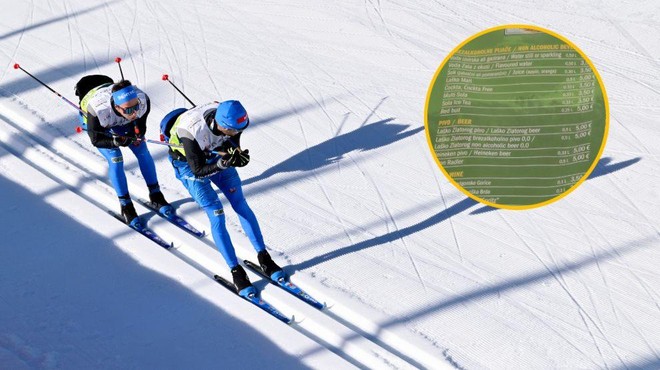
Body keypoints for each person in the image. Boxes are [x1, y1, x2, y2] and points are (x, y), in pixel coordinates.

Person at [160, 100, 283, 296]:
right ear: (223, 125)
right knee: (217, 214)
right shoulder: (191, 131)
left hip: (215, 157)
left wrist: (236, 153)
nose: (238, 132)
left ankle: (264, 257)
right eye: (233, 130)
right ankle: (236, 271)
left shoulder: (234, 121)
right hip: (190, 166)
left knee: (240, 204)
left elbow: (233, 140)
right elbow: (198, 170)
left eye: (240, 129)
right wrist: (225, 162)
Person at [75, 76, 172, 227]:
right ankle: (126, 206)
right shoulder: (98, 110)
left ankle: (156, 194)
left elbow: (140, 124)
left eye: (136, 107)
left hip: (120, 120)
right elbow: (96, 140)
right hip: (100, 125)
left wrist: (137, 134)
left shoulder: (142, 100)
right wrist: (114, 141)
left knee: (142, 150)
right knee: (116, 158)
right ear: (117, 106)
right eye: (129, 109)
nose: (134, 112)